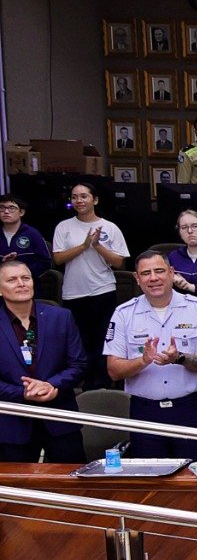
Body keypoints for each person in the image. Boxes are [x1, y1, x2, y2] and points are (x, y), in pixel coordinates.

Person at [105, 252, 197, 461]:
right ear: (137, 278)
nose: (153, 278)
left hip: (191, 410)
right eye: (146, 273)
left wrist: (180, 358)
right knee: (150, 476)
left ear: (172, 273)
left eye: (159, 271)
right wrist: (143, 361)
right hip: (145, 413)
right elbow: (113, 370)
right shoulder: (123, 313)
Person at [0, 260, 86, 462]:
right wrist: (23, 393)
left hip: (60, 420)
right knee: (16, 483)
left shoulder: (61, 317)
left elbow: (78, 364)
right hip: (11, 426)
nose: (21, 283)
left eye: (26, 278)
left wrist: (52, 385)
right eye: (12, 280)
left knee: (72, 478)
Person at [52, 183, 128, 389]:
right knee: (79, 341)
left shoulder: (110, 227)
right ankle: (82, 384)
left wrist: (97, 246)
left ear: (95, 200)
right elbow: (58, 259)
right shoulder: (63, 227)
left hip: (103, 290)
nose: (79, 200)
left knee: (102, 339)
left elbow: (119, 262)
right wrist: (84, 246)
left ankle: (102, 386)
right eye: (74, 197)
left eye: (84, 196)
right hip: (73, 293)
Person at [0, 195, 53, 279]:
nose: (6, 211)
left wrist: (22, 273)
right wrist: (3, 263)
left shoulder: (32, 233)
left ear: (21, 212)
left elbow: (45, 262)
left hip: (27, 283)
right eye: (2, 208)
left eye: (11, 208)